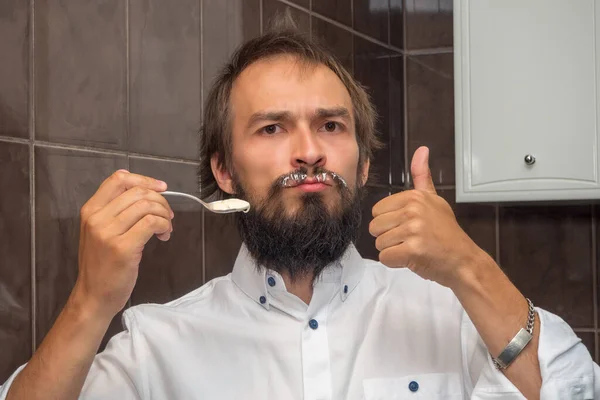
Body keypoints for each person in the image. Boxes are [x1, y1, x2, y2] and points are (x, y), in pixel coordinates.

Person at [1, 19, 597, 400]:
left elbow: (574, 389)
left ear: (363, 166)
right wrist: (90, 303)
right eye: (271, 128)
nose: (309, 151)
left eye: (331, 126)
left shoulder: (453, 315)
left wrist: (469, 265)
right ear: (224, 171)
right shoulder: (156, 345)